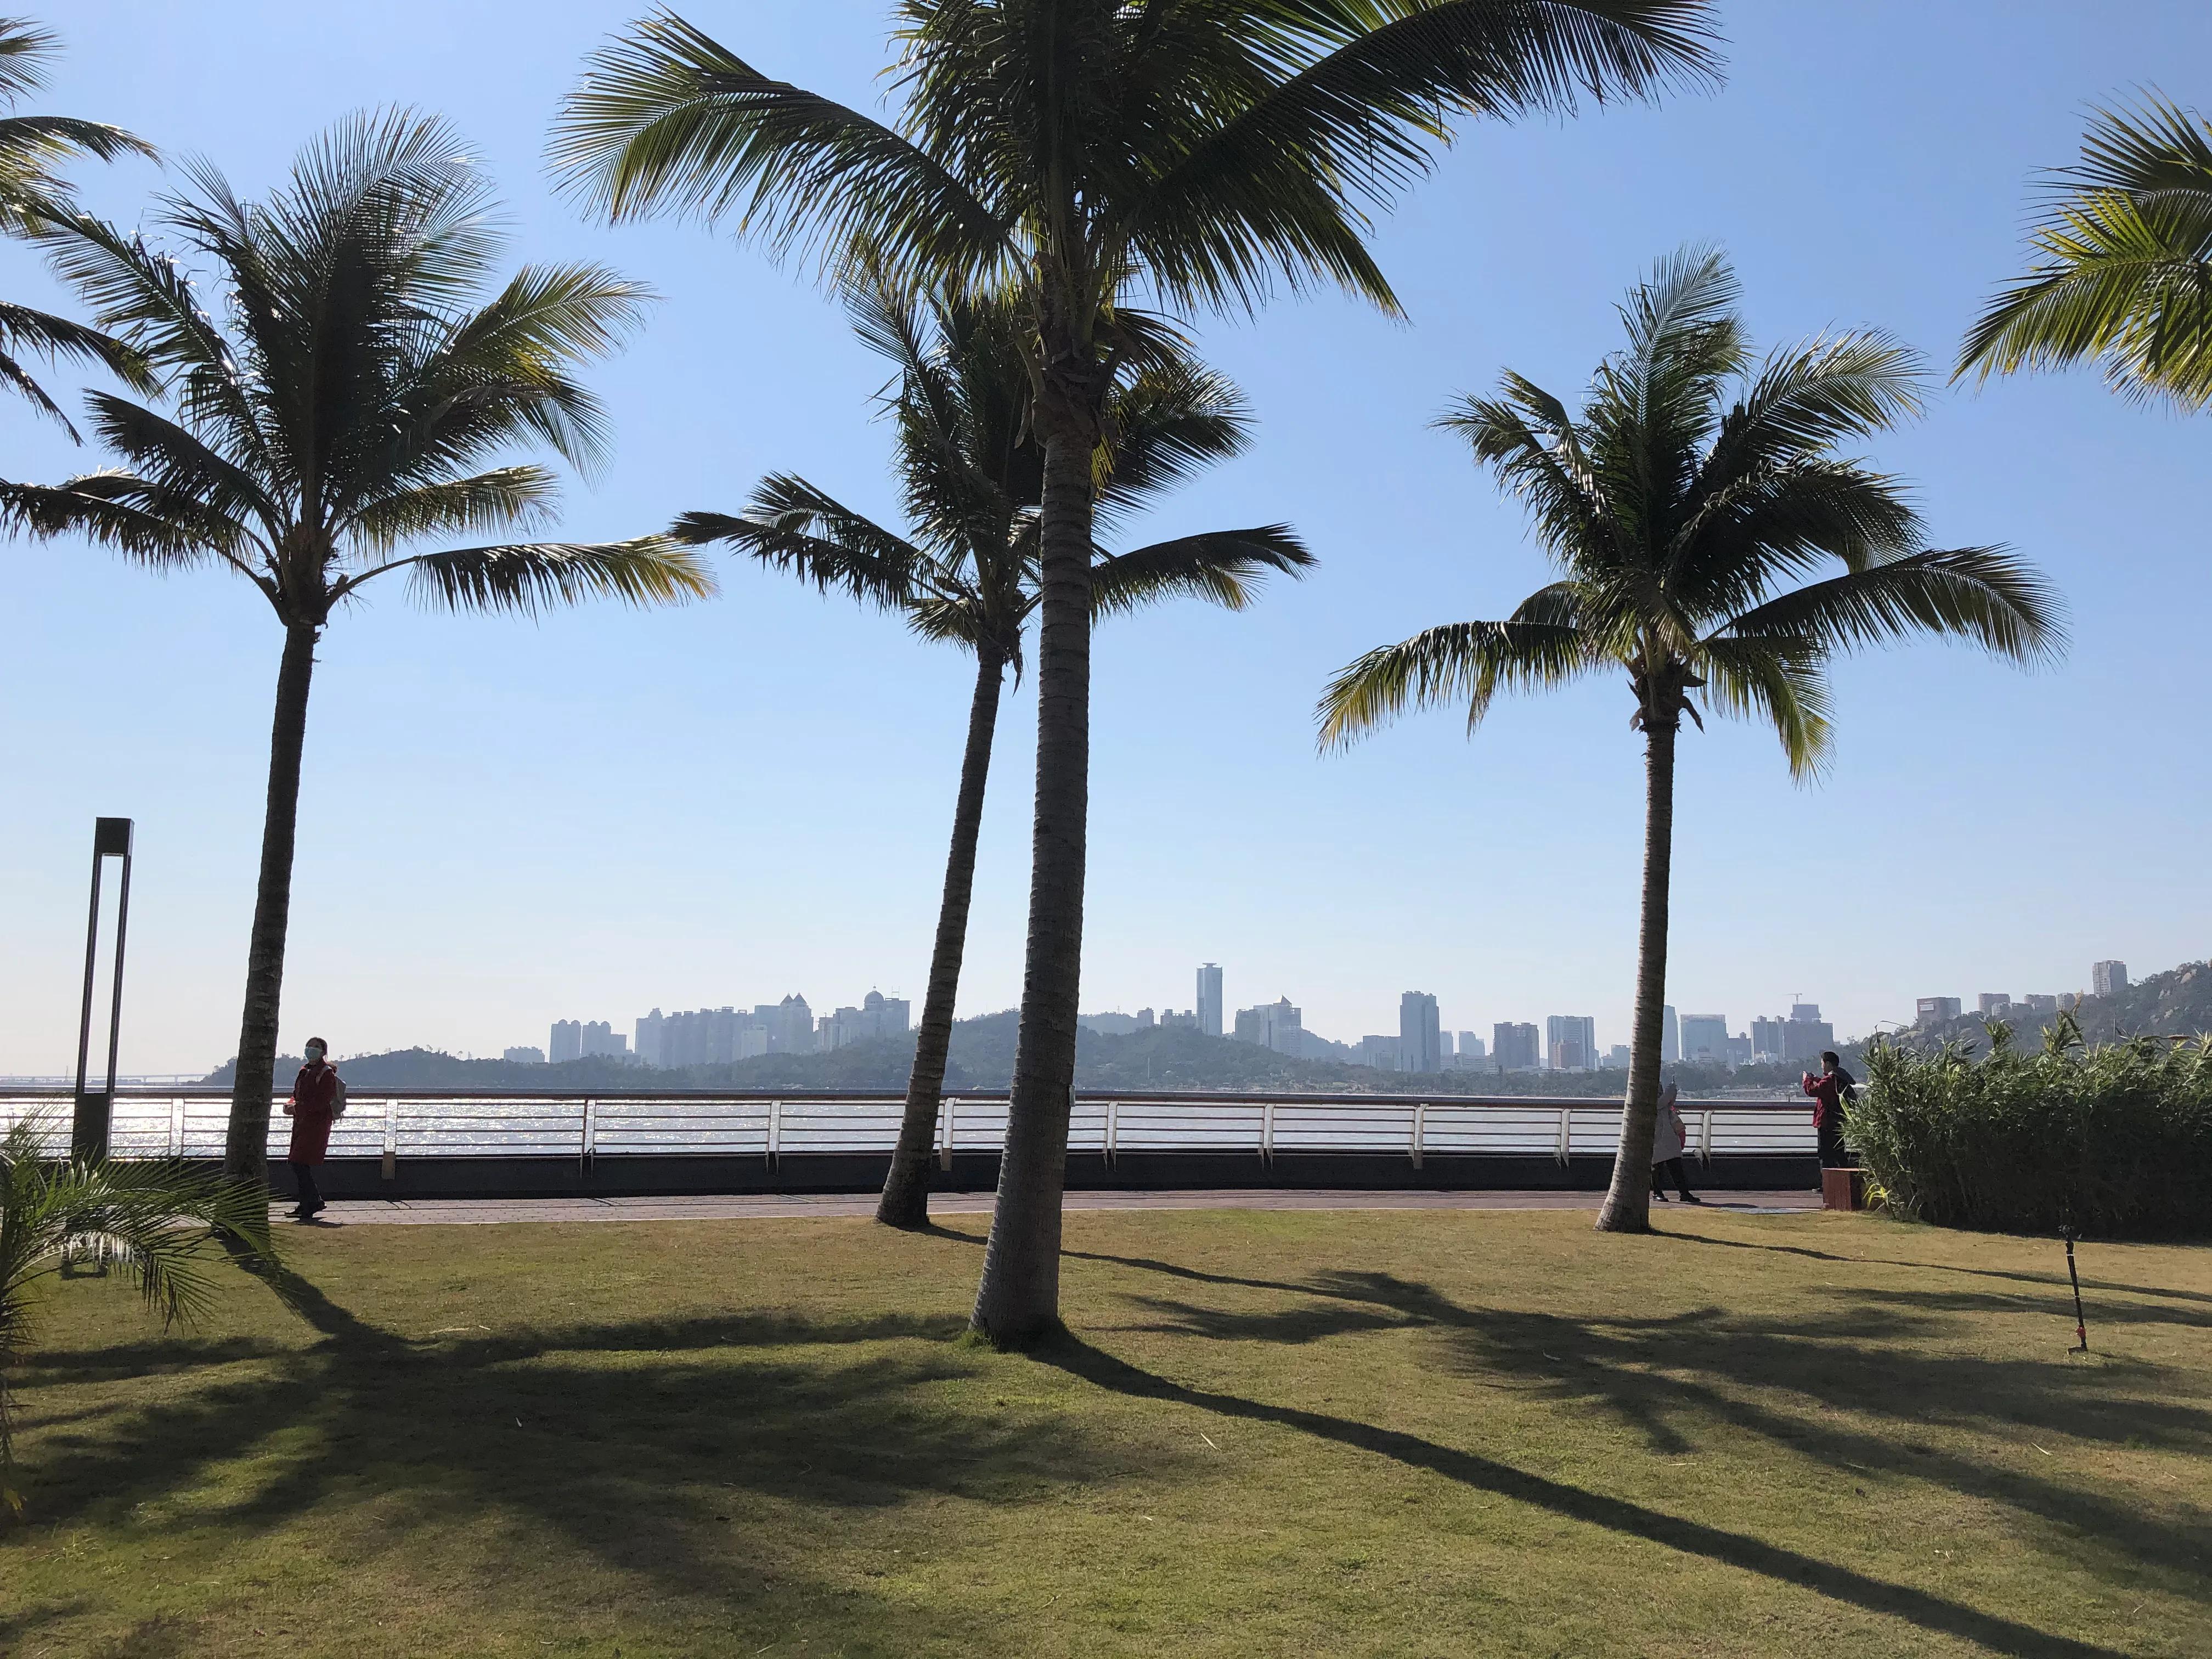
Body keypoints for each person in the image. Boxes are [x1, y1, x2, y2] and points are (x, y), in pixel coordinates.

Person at [283, 1036, 341, 1221]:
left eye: (316, 1047)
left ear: (324, 1052)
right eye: (309, 1046)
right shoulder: (304, 1071)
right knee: (299, 1163)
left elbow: (322, 1101)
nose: (311, 1050)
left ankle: (313, 1201)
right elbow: (296, 1094)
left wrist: (297, 1108)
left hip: (316, 1124)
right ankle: (306, 1203)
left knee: (298, 1162)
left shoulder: (326, 1074)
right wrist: (289, 1104)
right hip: (302, 1123)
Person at [1801, 1049, 1856, 1168]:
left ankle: (1826, 1185)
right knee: (1839, 1154)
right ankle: (1844, 1183)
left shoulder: (1829, 1080)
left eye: (1822, 1063)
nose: (1821, 1066)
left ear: (1828, 1064)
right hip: (1837, 1122)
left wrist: (1807, 1080)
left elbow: (1812, 1091)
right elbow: (1826, 1087)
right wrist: (1816, 1079)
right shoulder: (1839, 1078)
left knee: (1825, 1155)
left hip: (1826, 1124)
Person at [1650, 1081, 1700, 1203]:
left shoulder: (1664, 1102)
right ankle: (1657, 1192)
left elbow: (1667, 1102)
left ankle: (1684, 1193)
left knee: (1676, 1166)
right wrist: (1670, 1091)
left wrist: (1672, 1094)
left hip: (1670, 1135)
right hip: (1657, 1136)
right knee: (1657, 1167)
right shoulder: (1650, 1102)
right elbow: (1659, 1104)